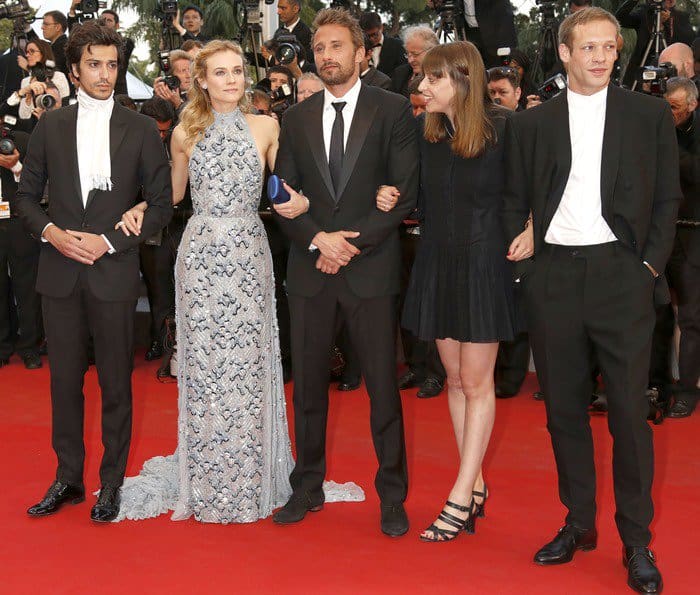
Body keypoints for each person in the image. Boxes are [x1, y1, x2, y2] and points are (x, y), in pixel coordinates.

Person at [502, 8, 681, 593]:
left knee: (630, 416)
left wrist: (648, 268)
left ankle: (636, 542)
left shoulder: (649, 114)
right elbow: (512, 199)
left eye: (610, 47)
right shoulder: (532, 125)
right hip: (553, 277)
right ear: (564, 52)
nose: (602, 57)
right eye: (590, 48)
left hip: (621, 275)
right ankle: (578, 522)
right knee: (563, 415)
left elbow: (666, 202)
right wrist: (526, 258)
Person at [114, 40, 301, 523]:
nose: (232, 80)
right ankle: (208, 469)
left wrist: (303, 204)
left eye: (238, 70)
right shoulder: (184, 131)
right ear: (202, 80)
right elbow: (173, 194)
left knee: (247, 359)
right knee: (207, 364)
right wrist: (140, 204)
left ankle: (254, 469)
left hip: (247, 249)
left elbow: (289, 185)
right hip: (198, 254)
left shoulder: (267, 125)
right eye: (220, 73)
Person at [14, 21, 173, 522]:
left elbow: (163, 202)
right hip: (58, 272)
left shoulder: (142, 128)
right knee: (63, 383)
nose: (106, 75)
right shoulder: (50, 126)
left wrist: (109, 240)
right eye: (95, 65)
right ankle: (68, 478)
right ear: (75, 70)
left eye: (112, 64)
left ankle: (110, 483)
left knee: (116, 385)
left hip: (114, 271)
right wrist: (54, 234)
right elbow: (25, 197)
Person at [271, 8, 418, 537]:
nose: (327, 56)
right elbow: (279, 192)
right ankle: (306, 486)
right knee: (307, 387)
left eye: (337, 46)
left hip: (370, 271)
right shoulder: (296, 118)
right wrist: (316, 239)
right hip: (310, 271)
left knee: (382, 388)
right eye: (320, 49)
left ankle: (392, 496)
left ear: (361, 53)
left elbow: (403, 192)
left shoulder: (395, 109)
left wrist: (348, 245)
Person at [379, 41, 521, 540]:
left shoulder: (506, 129)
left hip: (485, 264)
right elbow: (414, 196)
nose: (421, 88)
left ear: (463, 78)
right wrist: (389, 193)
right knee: (455, 380)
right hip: (438, 262)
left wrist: (530, 228)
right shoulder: (428, 133)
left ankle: (460, 495)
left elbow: (534, 190)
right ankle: (475, 480)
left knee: (477, 383)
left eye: (432, 79)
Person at [663, 77, 699, 418]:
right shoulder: (657, 127)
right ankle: (658, 385)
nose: (669, 113)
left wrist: (671, 152)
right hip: (660, 233)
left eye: (675, 108)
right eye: (666, 106)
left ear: (692, 105)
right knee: (656, 313)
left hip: (692, 235)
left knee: (690, 318)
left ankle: (688, 391)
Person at [616, 0, 695, 88]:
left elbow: (688, 40)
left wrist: (667, 22)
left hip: (668, 68)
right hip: (643, 65)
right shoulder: (645, 13)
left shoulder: (681, 17)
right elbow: (620, 19)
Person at [5, 40, 70, 121]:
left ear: (43, 53)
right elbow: (23, 116)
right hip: (32, 128)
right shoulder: (25, 81)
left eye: (32, 51)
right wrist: (28, 96)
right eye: (27, 52)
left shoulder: (58, 76)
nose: (27, 55)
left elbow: (66, 108)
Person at [391, 25, 439, 98]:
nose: (410, 60)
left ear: (432, 51)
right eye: (408, 54)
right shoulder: (400, 74)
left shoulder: (445, 77)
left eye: (415, 54)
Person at [358, 11, 407, 77]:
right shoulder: (360, 49)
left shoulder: (397, 45)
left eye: (374, 34)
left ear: (381, 27)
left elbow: (403, 71)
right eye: (367, 36)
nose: (371, 39)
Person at [276, 0, 314, 67]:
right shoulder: (279, 31)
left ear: (295, 9)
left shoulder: (306, 33)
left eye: (283, 8)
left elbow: (307, 63)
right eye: (278, 8)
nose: (278, 12)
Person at [40, 11, 70, 82]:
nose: (42, 27)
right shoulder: (55, 45)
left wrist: (28, 67)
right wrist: (27, 28)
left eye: (46, 24)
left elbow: (50, 71)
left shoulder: (64, 47)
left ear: (58, 27)